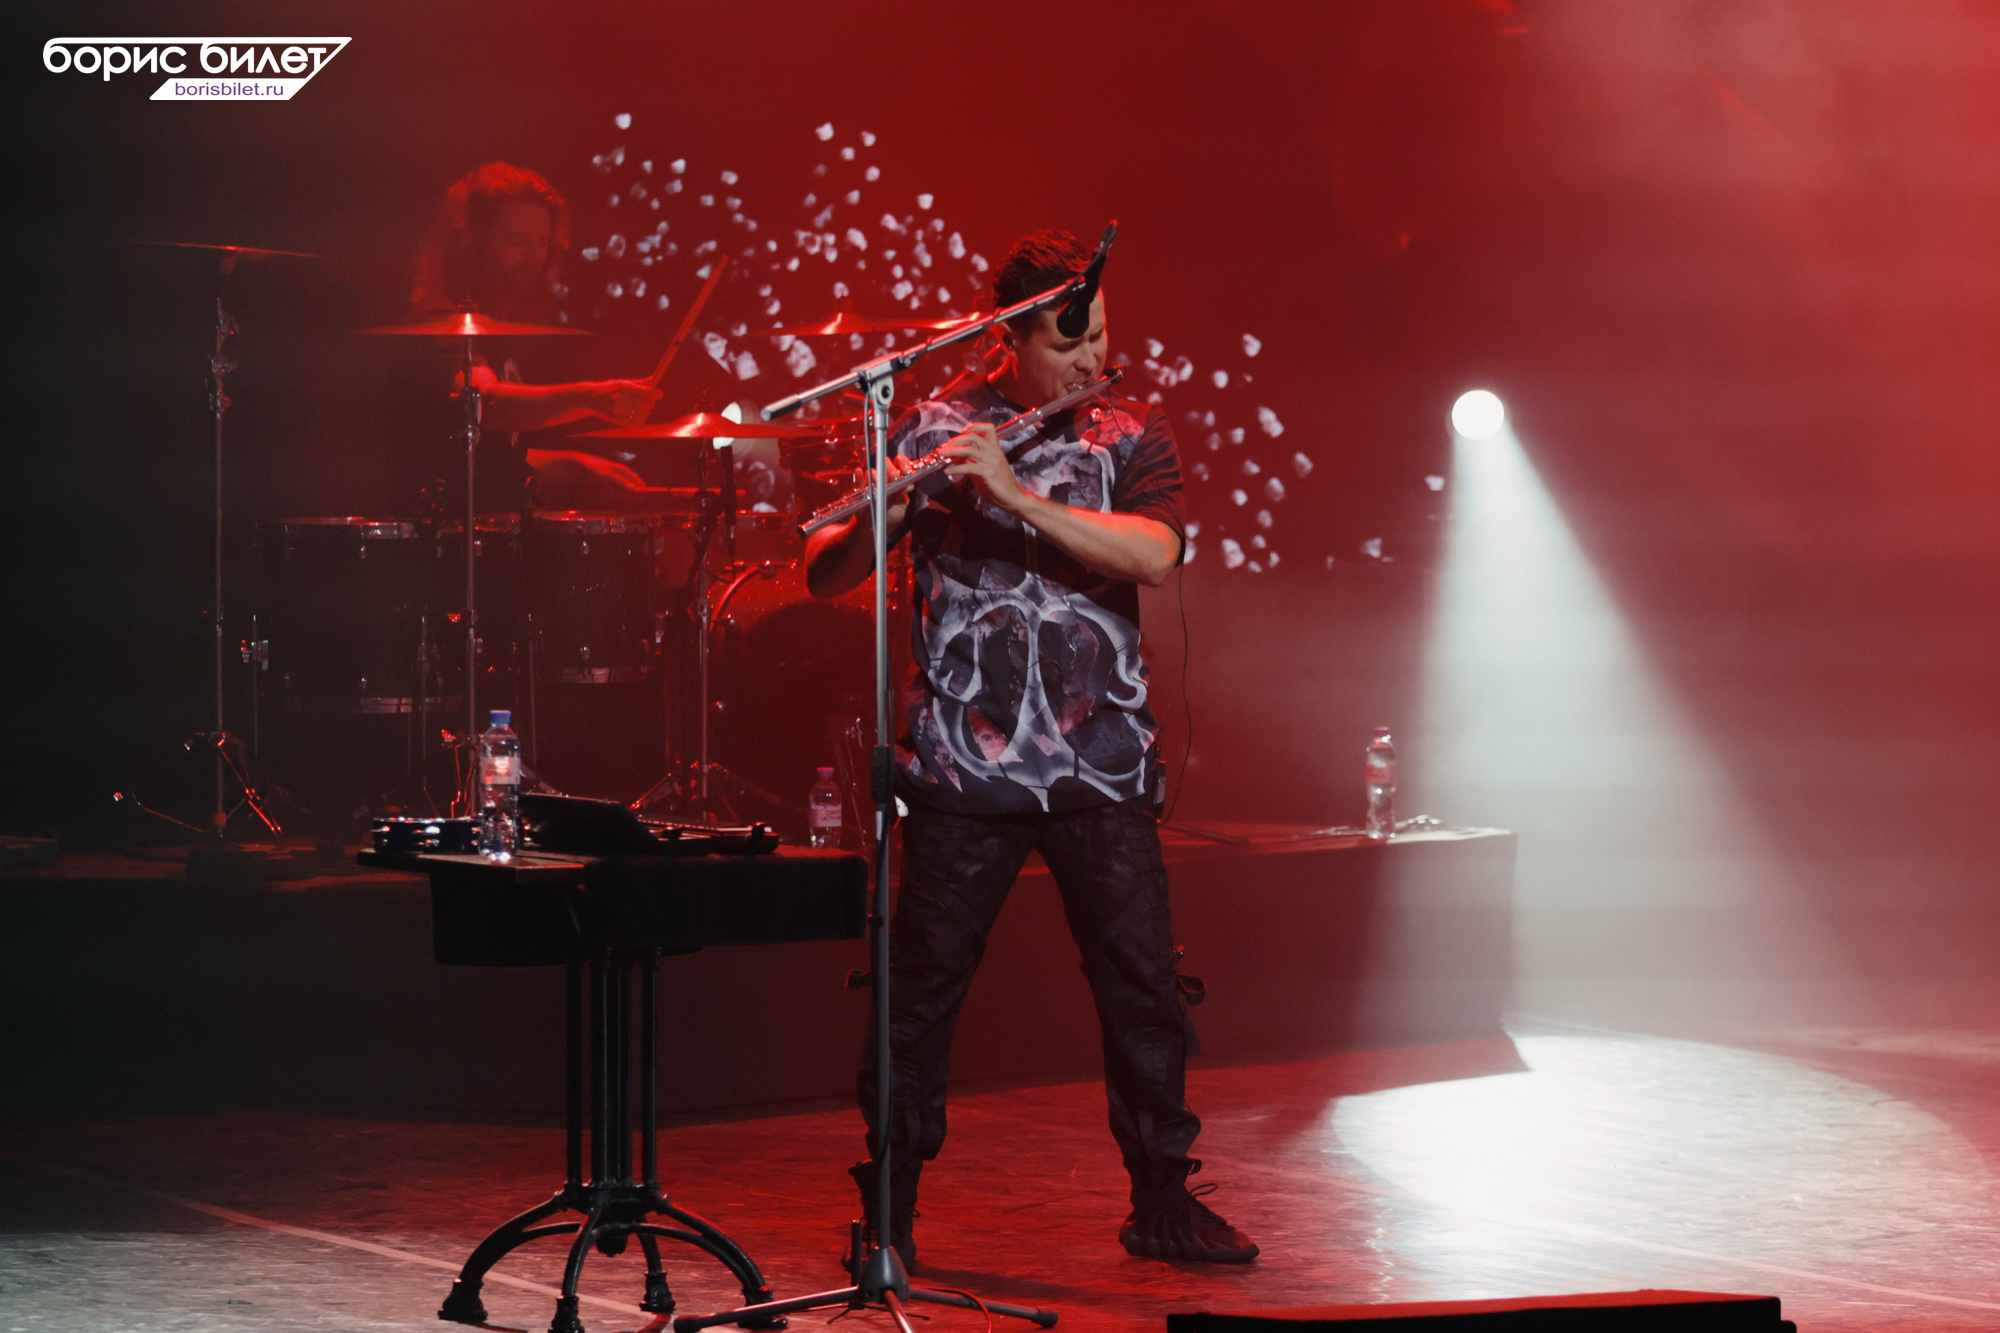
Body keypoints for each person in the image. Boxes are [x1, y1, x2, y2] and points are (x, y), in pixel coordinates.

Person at [804, 229, 1258, 1268]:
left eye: (1099, 336)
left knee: (1141, 987)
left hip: (1101, 761)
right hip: (962, 767)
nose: (1092, 359)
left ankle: (1162, 1201)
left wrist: (1013, 495)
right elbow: (823, 573)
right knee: (918, 996)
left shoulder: (1131, 431)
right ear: (1006, 340)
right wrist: (889, 509)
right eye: (1067, 343)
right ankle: (889, 1213)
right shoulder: (934, 425)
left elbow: (1153, 554)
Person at [407, 161, 661, 511]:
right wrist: (590, 397)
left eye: (542, 242)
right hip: (445, 534)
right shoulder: (442, 324)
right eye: (516, 241)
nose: (534, 258)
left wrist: (576, 466)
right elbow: (484, 404)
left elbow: (493, 459)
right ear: (471, 242)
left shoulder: (504, 333)